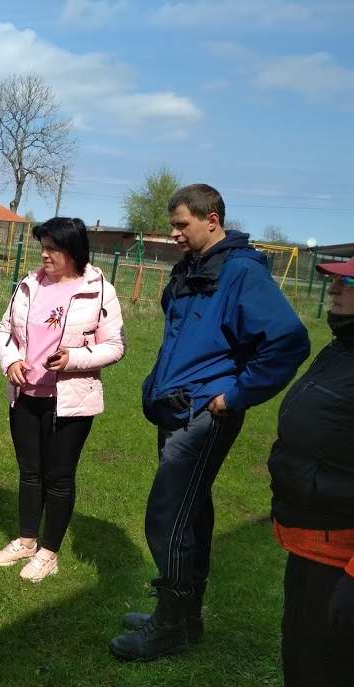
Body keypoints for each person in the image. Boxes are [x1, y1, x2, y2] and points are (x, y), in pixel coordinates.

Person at [110, 184, 310, 661]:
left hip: (205, 414)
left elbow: (287, 341)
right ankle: (186, 616)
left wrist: (235, 395)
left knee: (168, 516)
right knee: (192, 515)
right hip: (178, 408)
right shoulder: (195, 267)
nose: (175, 233)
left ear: (212, 219)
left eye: (182, 224)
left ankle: (169, 627)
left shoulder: (240, 272)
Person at [0, 217, 125, 582]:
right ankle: (26, 540)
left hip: (71, 401)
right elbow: (5, 330)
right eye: (43, 247)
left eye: (52, 248)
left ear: (73, 252)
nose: (44, 255)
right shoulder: (28, 283)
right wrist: (12, 361)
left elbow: (115, 347)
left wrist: (73, 359)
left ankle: (49, 552)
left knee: (59, 477)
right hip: (25, 395)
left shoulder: (100, 291)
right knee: (29, 472)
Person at [268, 257, 354, 687]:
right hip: (308, 539)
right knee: (299, 656)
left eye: (349, 280)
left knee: (325, 668)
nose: (335, 288)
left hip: (341, 555)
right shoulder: (341, 346)